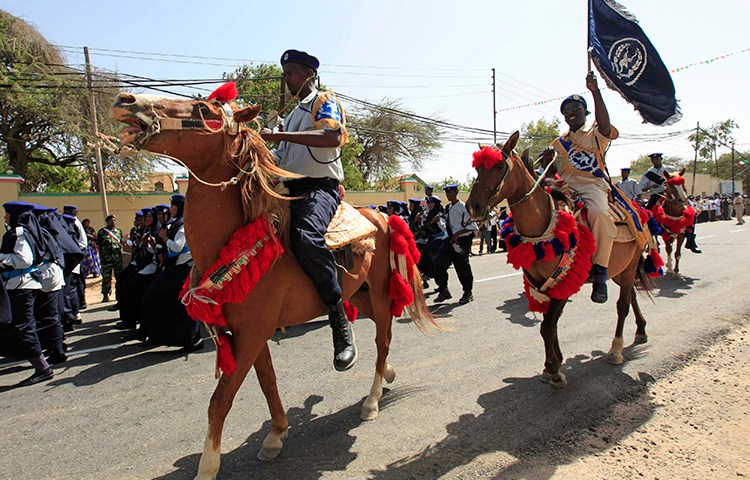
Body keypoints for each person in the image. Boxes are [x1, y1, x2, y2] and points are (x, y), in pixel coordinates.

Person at [259, 49, 355, 372]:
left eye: (292, 74)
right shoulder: (291, 116)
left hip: (320, 189)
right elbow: (283, 160)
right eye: (285, 74)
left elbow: (330, 137)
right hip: (289, 190)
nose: (287, 80)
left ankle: (338, 316)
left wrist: (279, 134)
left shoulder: (322, 101)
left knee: (305, 237)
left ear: (309, 75)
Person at [543, 72, 617, 303]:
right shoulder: (558, 143)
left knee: (598, 213)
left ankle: (601, 273)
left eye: (576, 108)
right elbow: (556, 174)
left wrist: (595, 91)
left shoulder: (595, 134)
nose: (571, 112)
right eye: (567, 110)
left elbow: (605, 124)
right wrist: (547, 164)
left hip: (591, 186)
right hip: (565, 189)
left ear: (586, 112)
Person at [139, 195, 202, 350]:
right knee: (165, 302)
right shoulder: (174, 222)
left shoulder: (183, 224)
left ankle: (192, 339)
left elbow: (177, 247)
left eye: (173, 206)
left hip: (183, 270)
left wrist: (165, 238)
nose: (170, 209)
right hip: (174, 269)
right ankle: (161, 336)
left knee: (183, 306)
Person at [0, 201, 53, 386]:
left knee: (24, 327)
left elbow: (24, 259)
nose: (5, 217)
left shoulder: (20, 233)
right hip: (18, 285)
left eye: (7, 214)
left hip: (22, 285)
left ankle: (42, 367)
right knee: (18, 325)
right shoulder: (22, 232)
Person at [434, 184, 477, 304]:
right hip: (449, 240)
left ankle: (468, 292)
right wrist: (439, 222)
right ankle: (444, 290)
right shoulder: (447, 208)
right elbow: (447, 228)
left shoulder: (463, 208)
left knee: (462, 267)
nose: (448, 194)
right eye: (447, 192)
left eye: (450, 192)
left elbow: (472, 227)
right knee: (438, 263)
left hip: (461, 241)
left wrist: (457, 235)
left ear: (456, 192)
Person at [96, 214, 123, 303]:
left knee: (119, 277)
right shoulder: (101, 232)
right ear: (107, 222)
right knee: (106, 277)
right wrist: (100, 257)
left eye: (114, 220)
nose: (113, 222)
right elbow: (98, 245)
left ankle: (119, 294)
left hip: (117, 259)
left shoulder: (119, 231)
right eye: (111, 220)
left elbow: (121, 244)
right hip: (106, 259)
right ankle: (105, 295)